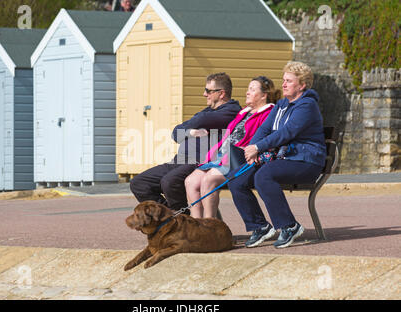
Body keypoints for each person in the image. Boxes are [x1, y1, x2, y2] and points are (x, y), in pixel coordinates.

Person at [228, 61, 327, 249]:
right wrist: (252, 149)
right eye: (283, 80)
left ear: (302, 85)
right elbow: (264, 129)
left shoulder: (307, 105)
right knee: (236, 179)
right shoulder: (281, 104)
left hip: (305, 160)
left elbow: (287, 132)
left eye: (289, 81)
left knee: (264, 176)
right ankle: (260, 227)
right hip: (282, 158)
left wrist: (259, 147)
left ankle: (289, 226)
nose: (283, 84)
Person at [130, 73, 242, 212]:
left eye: (208, 91)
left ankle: (182, 220)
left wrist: (191, 124)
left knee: (169, 182)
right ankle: (171, 218)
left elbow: (200, 121)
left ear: (221, 94)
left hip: (199, 162)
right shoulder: (207, 112)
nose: (204, 94)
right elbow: (176, 133)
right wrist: (190, 132)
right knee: (139, 183)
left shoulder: (231, 111)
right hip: (179, 160)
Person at [185, 76, 281, 219]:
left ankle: (210, 227)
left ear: (264, 95)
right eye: (248, 89)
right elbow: (227, 137)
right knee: (191, 181)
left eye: (252, 89)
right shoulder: (244, 112)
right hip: (223, 156)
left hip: (240, 159)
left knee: (208, 180)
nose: (247, 92)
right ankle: (196, 227)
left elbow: (262, 139)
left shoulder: (269, 113)